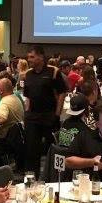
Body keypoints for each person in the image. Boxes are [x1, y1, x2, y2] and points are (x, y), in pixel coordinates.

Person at [22, 45, 68, 176]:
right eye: (28, 57)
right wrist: (26, 114)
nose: (29, 59)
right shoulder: (28, 75)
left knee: (51, 150)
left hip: (49, 117)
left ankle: (51, 178)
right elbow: (27, 97)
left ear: (41, 57)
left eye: (32, 57)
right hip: (32, 118)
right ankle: (31, 180)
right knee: (31, 151)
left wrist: (57, 115)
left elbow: (62, 93)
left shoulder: (53, 72)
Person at [64, 98, 102, 182]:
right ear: (97, 124)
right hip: (88, 186)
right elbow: (68, 161)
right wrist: (92, 162)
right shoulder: (85, 136)